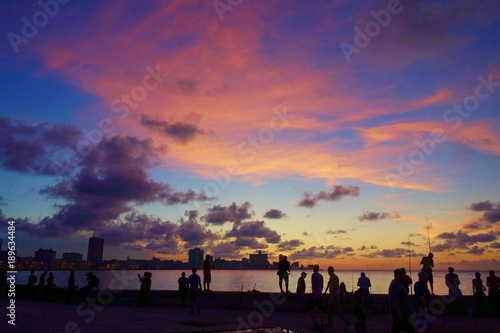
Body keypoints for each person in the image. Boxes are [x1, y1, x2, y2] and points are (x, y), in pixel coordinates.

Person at [389, 268, 414, 333]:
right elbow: (395, 301)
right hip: (403, 314)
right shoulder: (395, 285)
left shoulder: (399, 284)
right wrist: (399, 313)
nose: (404, 277)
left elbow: (411, 282)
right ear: (398, 276)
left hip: (405, 313)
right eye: (403, 275)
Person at [308, 264, 324, 331]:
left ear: (315, 269)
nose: (313, 268)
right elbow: (322, 285)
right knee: (320, 311)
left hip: (315, 295)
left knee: (309, 309)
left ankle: (315, 324)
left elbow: (313, 285)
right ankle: (322, 325)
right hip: (320, 295)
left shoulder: (314, 275)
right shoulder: (321, 276)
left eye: (313, 267)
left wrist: (313, 294)